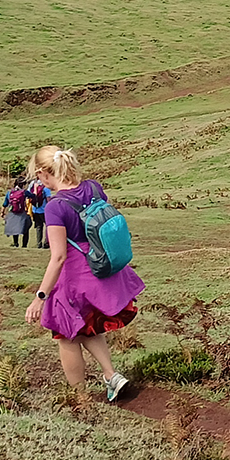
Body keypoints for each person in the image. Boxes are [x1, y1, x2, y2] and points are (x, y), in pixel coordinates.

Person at [23, 146, 143, 402]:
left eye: (37, 176)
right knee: (88, 327)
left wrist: (40, 297)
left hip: (76, 276)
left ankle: (79, 398)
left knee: (66, 336)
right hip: (102, 266)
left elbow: (58, 257)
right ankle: (111, 375)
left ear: (45, 174)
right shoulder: (93, 187)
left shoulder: (56, 206)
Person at [3, 177, 32, 247]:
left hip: (12, 212)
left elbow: (5, 203)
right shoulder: (25, 192)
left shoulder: (9, 192)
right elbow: (33, 196)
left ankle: (16, 243)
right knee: (26, 228)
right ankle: (24, 245)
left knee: (15, 228)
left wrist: (2, 212)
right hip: (22, 212)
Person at [29, 178, 51, 249]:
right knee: (48, 226)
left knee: (38, 227)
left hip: (35, 210)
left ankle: (39, 243)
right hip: (44, 210)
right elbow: (48, 199)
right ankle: (46, 242)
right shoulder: (45, 188)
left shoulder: (32, 186)